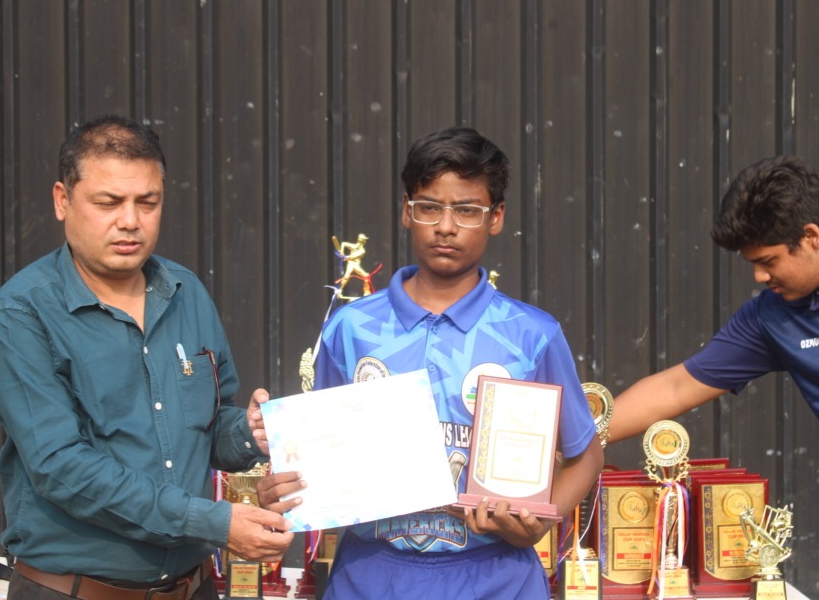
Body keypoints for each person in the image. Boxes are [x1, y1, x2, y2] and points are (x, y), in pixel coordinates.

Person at [253, 127, 603, 599]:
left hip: (496, 575)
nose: (445, 226)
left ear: (496, 217)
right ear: (406, 211)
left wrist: (537, 522)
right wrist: (285, 489)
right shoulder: (352, 328)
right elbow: (323, 462)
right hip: (371, 574)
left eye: (467, 210)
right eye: (429, 207)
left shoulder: (530, 335)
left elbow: (586, 453)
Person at [0, 115, 293, 600]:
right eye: (108, 203)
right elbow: (61, 467)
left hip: (191, 588)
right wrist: (211, 521)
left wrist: (249, 431)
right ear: (63, 200)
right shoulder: (23, 311)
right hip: (74, 591)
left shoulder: (186, 292)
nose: (130, 220)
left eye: (147, 203)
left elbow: (207, 430)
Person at [605, 155, 819, 600]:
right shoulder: (771, 318)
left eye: (768, 260)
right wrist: (572, 438)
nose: (760, 276)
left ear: (811, 236)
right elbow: (675, 387)